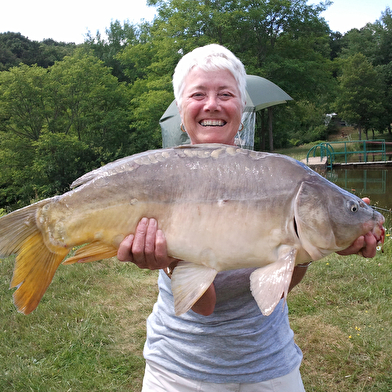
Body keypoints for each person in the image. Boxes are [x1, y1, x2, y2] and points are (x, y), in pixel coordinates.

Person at [117, 44, 378, 391]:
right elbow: (204, 305)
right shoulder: (164, 173)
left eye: (225, 93)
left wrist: (313, 248)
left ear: (242, 106)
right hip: (178, 369)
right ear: (182, 108)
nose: (212, 104)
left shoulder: (285, 175)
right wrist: (169, 260)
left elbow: (275, 291)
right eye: (198, 94)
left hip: (268, 363)